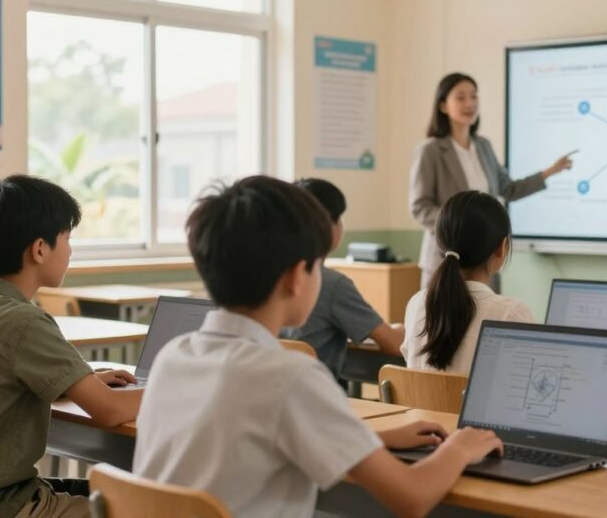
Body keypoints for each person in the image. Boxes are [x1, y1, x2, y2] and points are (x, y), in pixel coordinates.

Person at [133, 176, 503, 518]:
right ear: (297, 276)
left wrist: (370, 439)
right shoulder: (289, 377)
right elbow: (412, 497)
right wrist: (461, 447)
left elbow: (259, 438)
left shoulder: (174, 356)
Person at [0, 175, 142, 518]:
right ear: (39, 249)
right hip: (0, 507)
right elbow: (109, 410)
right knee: (139, 505)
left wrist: (83, 383)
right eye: (67, 238)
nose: (70, 249)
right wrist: (171, 386)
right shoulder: (24, 322)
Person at [409, 72, 574, 286]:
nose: (469, 103)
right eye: (460, 97)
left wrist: (549, 172)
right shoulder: (430, 151)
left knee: (488, 318)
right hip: (445, 260)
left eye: (474, 96)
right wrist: (460, 227)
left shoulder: (484, 146)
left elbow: (509, 189)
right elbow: (420, 208)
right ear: (443, 106)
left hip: (484, 259)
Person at [281, 178, 404, 380]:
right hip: (320, 398)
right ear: (327, 225)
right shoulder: (332, 284)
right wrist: (402, 329)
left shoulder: (272, 276)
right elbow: (392, 344)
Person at [402, 190, 535, 374]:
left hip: (417, 405)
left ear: (441, 244)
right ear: (502, 249)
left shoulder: (417, 304)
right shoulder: (511, 313)